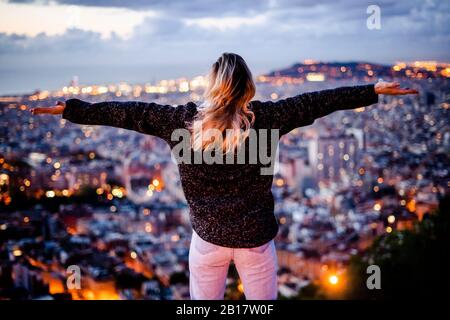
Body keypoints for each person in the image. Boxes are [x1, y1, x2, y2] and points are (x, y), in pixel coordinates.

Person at [32, 52, 418, 300]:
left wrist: (73, 109)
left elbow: (127, 113)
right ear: (247, 87)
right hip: (255, 243)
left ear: (211, 86)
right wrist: (373, 89)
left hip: (207, 240)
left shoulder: (181, 123)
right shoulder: (267, 121)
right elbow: (319, 102)